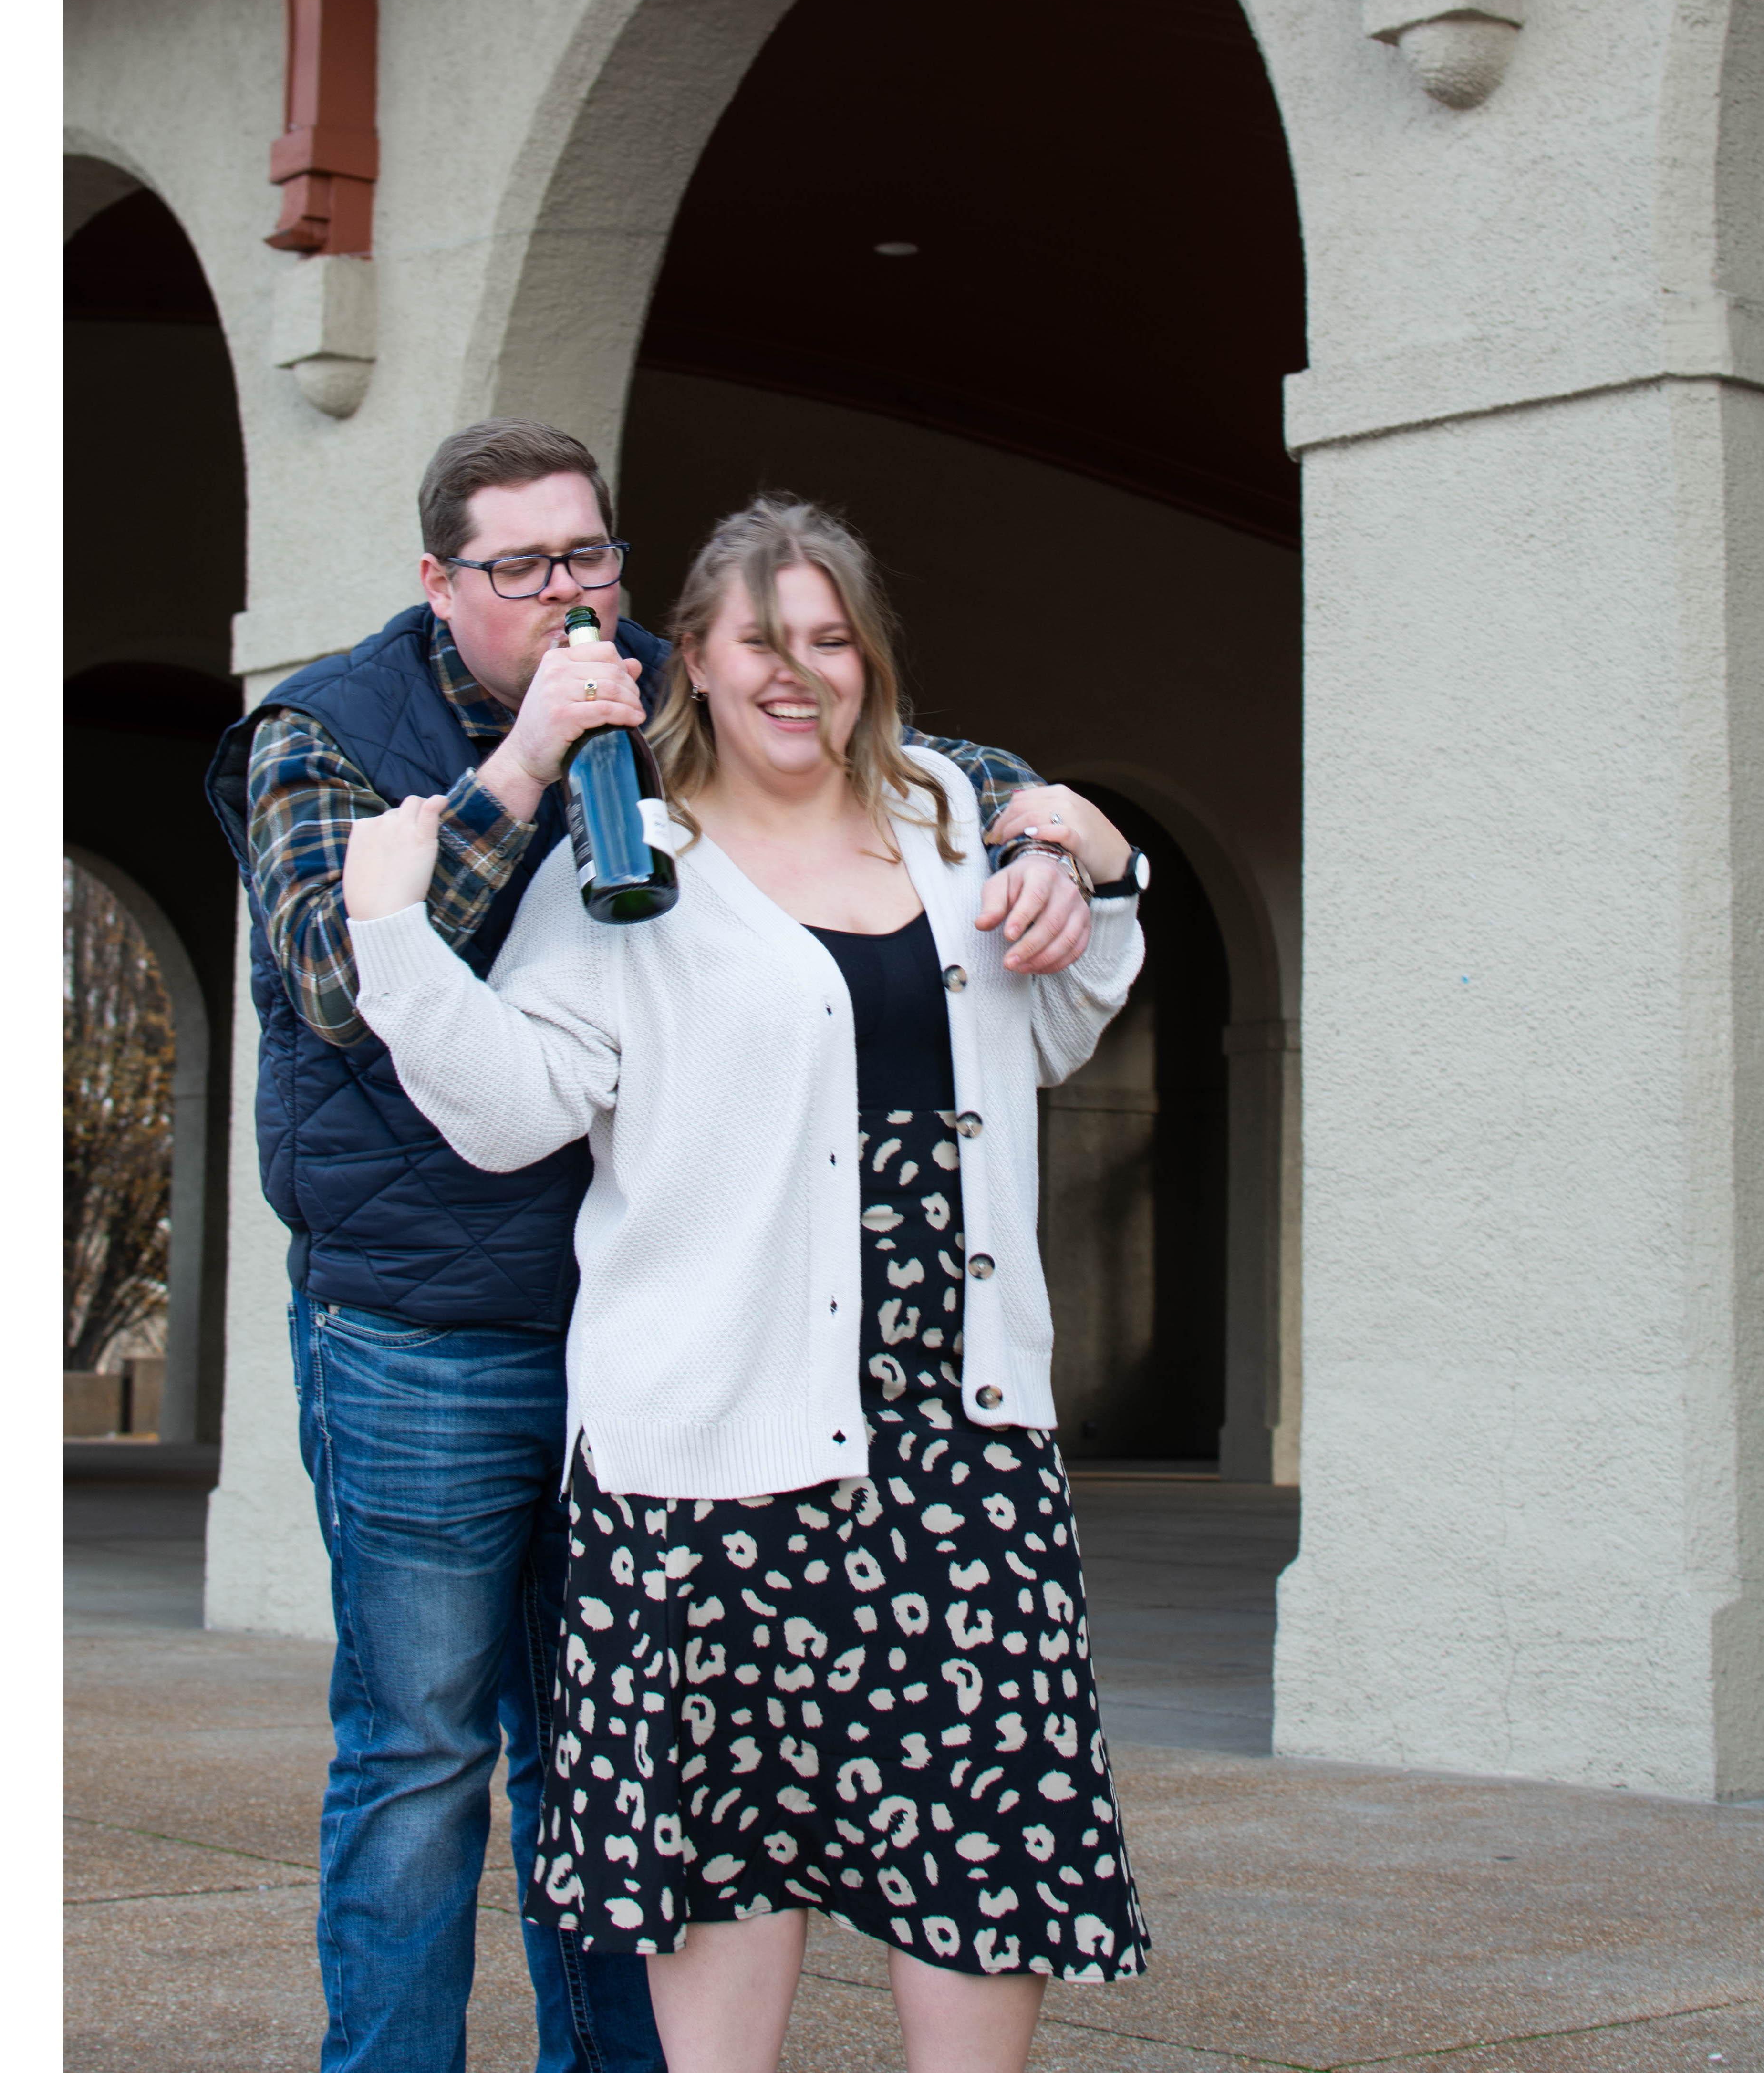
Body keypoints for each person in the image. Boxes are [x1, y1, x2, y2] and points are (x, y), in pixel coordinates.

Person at [205, 425, 1104, 2073]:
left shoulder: (675, 697)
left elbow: (897, 752)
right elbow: (339, 981)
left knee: (613, 1770)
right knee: (422, 1753)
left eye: (589, 556)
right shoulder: (328, 732)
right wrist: (524, 767)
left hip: (720, 1339)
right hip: (441, 1321)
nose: (566, 593)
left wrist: (1065, 839)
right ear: (439, 582)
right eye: (519, 566)